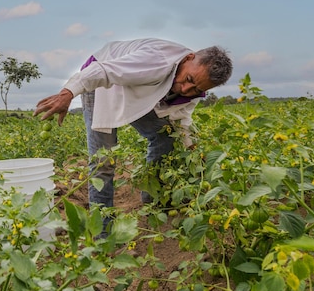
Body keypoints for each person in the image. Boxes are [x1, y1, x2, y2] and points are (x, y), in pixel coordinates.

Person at [34, 38, 232, 236]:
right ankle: (102, 236)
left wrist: (193, 151)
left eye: (197, 89)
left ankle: (152, 197)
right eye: (189, 80)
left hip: (140, 90)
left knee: (167, 136)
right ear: (188, 58)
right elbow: (103, 71)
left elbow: (182, 120)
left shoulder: (192, 87)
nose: (187, 90)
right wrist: (67, 93)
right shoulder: (157, 61)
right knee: (103, 161)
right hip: (101, 86)